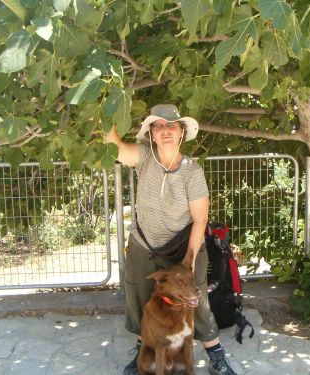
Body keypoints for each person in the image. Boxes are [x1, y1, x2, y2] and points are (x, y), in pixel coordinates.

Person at [103, 104, 238, 375]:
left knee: (195, 298)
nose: (165, 130)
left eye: (172, 125)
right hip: (145, 244)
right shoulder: (144, 157)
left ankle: (216, 353)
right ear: (151, 134)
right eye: (159, 126)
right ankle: (146, 349)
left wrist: (189, 258)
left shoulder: (192, 171)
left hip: (183, 247)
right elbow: (114, 146)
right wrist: (106, 107)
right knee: (141, 298)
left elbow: (200, 219)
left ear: (181, 132)